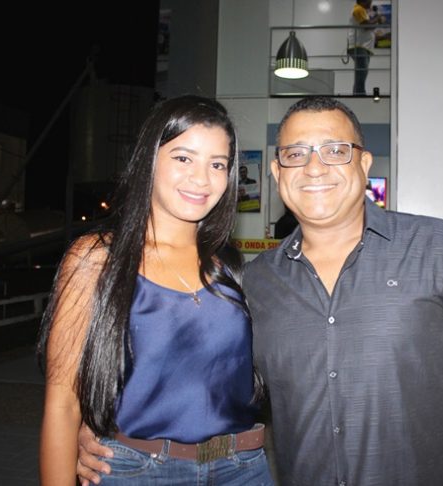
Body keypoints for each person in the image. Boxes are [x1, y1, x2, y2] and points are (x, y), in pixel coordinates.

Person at [77, 96, 443, 485]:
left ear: (364, 164)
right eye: (296, 154)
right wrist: (104, 426)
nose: (315, 167)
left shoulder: (440, 249)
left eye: (335, 150)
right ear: (277, 172)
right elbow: (204, 374)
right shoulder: (254, 283)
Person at [38, 95, 272, 485]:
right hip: (138, 471)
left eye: (217, 164)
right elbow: (62, 404)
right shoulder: (98, 259)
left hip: (242, 468)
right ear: (150, 159)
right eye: (183, 158)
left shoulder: (229, 267)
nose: (202, 179)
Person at [347, 0, 385, 96]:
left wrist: (377, 21)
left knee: (362, 72)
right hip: (359, 46)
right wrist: (377, 17)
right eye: (370, 1)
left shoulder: (362, 11)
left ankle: (358, 94)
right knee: (362, 72)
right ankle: (360, 95)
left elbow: (369, 28)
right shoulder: (358, 9)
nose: (371, 4)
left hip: (363, 47)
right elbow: (366, 26)